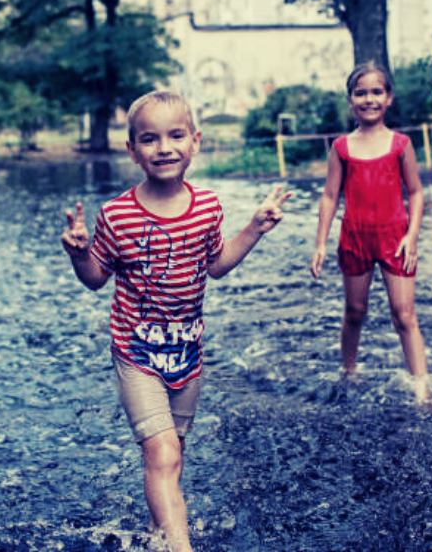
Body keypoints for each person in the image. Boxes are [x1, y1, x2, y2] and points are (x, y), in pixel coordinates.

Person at [61, 90, 291, 552]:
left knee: (172, 456)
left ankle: (158, 538)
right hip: (137, 353)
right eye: (150, 138)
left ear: (195, 142)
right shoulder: (118, 215)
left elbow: (217, 264)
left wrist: (254, 229)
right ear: (132, 150)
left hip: (187, 354)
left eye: (176, 135)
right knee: (162, 451)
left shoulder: (206, 207)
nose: (164, 147)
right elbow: (95, 280)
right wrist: (80, 253)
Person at [309, 62, 430, 400]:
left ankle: (421, 386)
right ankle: (348, 372)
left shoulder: (401, 144)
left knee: (404, 314)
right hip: (355, 236)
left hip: (395, 237)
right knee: (355, 312)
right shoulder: (341, 148)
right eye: (360, 93)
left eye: (376, 91)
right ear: (351, 100)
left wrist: (412, 236)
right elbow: (330, 196)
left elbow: (417, 192)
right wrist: (320, 243)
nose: (369, 99)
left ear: (388, 98)